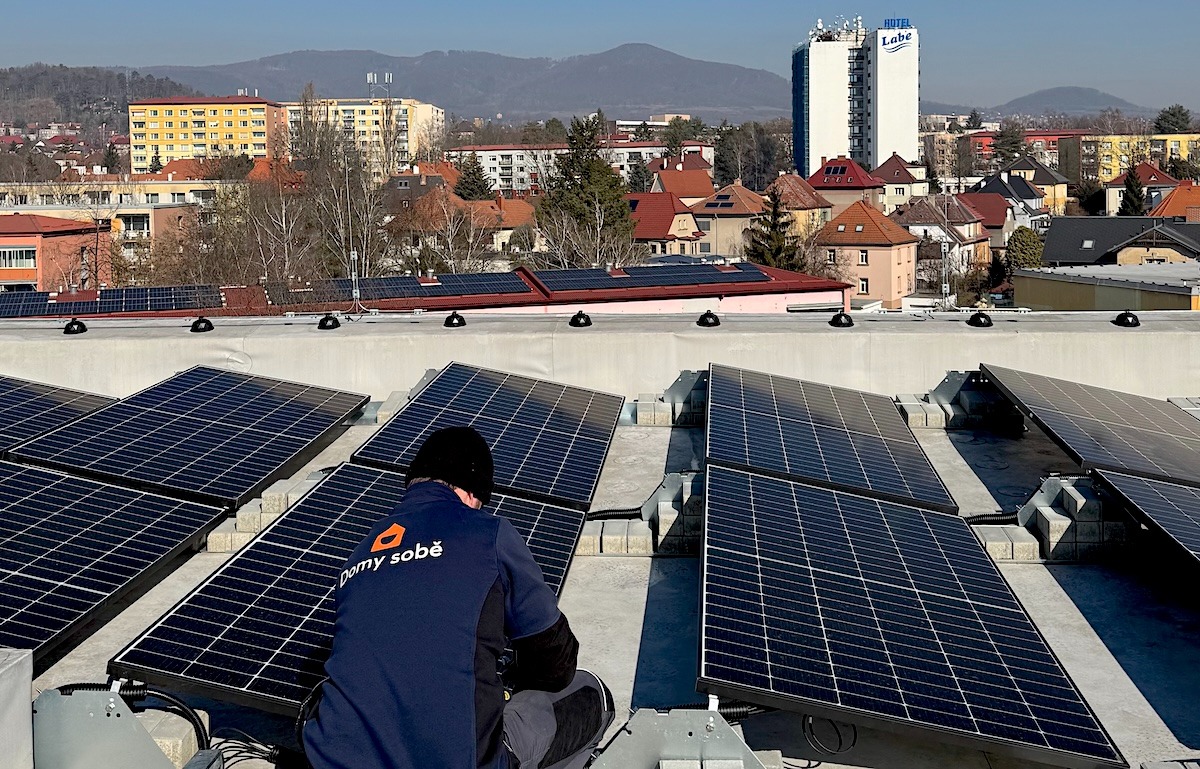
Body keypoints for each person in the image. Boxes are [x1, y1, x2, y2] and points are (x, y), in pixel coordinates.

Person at [303, 426, 613, 769]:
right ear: (469, 492)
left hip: (331, 758)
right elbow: (555, 664)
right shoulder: (488, 533)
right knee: (589, 695)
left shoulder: (358, 556)